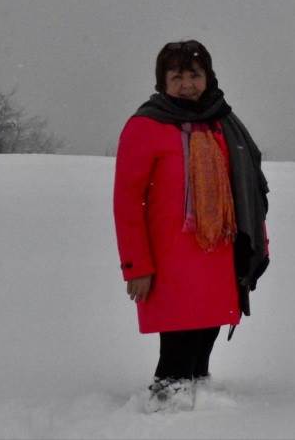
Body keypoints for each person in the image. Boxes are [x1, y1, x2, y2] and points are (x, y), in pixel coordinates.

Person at [113, 39, 270, 412]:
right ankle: (166, 408)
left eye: (195, 75)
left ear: (208, 77)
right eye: (177, 76)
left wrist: (256, 244)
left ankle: (199, 402)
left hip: (220, 251)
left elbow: (248, 190)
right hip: (170, 258)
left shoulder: (224, 123)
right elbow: (127, 203)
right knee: (178, 340)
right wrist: (137, 265)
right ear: (162, 81)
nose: (187, 84)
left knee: (206, 332)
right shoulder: (146, 126)